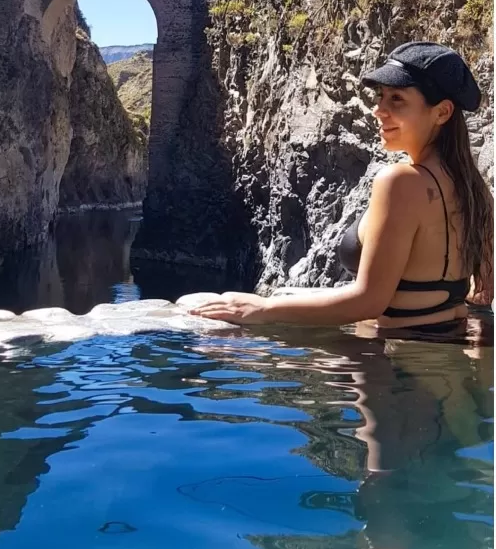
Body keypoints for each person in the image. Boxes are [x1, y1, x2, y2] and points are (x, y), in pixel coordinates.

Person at [190, 42, 493, 333]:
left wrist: (259, 309)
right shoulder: (476, 190)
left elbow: (368, 302)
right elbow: (482, 295)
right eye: (380, 96)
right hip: (445, 352)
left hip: (395, 369)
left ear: (442, 112)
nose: (379, 110)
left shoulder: (400, 181)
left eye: (397, 99)